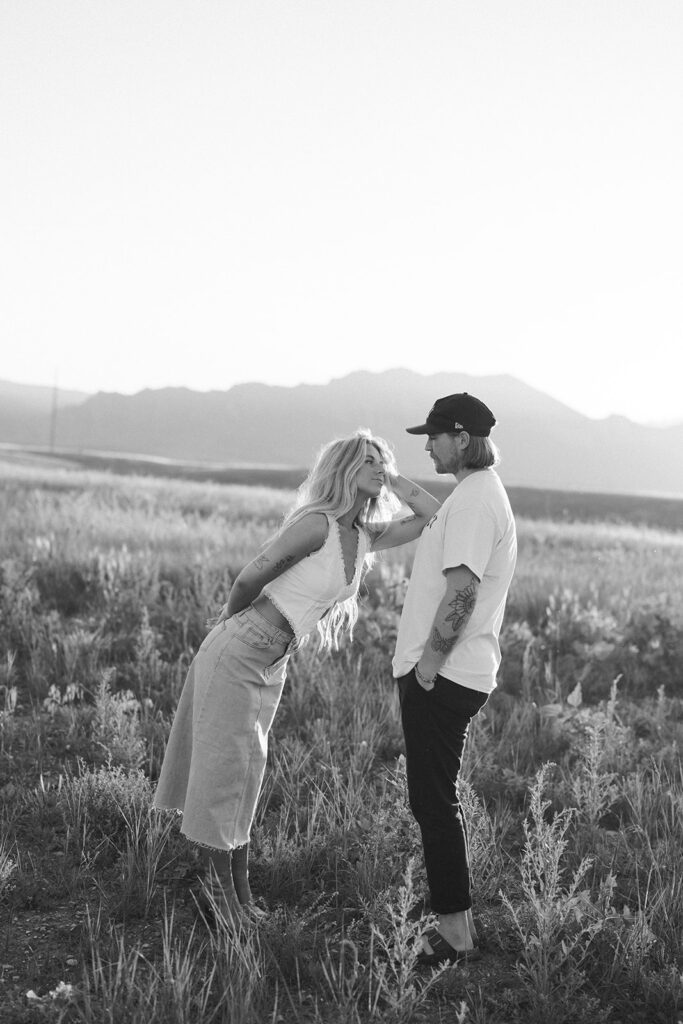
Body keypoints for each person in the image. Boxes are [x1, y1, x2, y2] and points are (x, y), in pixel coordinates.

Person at [153, 428, 440, 918]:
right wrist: (230, 629)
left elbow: (431, 516)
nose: (378, 468)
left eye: (382, 461)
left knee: (247, 775)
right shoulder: (318, 524)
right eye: (367, 461)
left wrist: (393, 478)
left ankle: (241, 897)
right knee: (224, 775)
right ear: (344, 469)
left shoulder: (363, 534)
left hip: (273, 660)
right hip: (243, 647)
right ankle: (223, 903)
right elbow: (250, 576)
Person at [392, 393, 517, 966]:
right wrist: (389, 480)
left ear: (461, 438)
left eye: (435, 436)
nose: (428, 445)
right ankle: (454, 916)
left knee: (433, 801)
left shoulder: (473, 503)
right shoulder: (474, 495)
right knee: (436, 797)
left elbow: (462, 593)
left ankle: (455, 933)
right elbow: (431, 511)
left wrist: (426, 668)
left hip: (443, 675)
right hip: (456, 672)